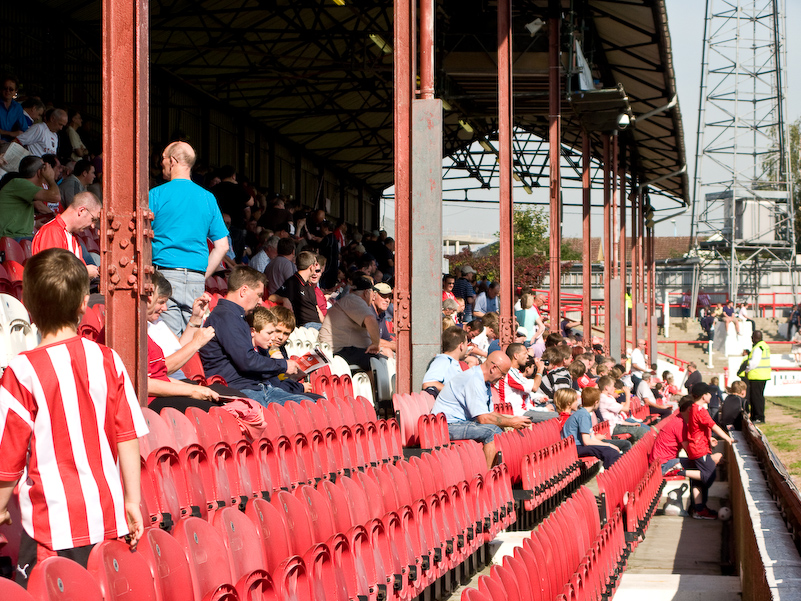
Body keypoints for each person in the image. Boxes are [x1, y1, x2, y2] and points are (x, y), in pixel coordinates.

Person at [0, 248, 147, 588]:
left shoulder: (22, 370)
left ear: (30, 306)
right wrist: (133, 501)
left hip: (51, 525)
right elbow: (127, 436)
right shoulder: (108, 359)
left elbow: (8, 458)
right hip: (107, 517)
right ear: (84, 303)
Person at [199, 265, 312, 407]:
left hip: (257, 387)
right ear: (244, 290)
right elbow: (247, 361)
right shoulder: (226, 316)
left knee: (313, 404)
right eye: (259, 294)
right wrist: (283, 365)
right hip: (240, 390)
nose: (260, 301)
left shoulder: (235, 316)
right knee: (303, 409)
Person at [150, 141, 230, 335]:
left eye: (163, 160)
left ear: (173, 161)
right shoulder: (208, 198)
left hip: (165, 276)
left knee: (169, 345)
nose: (160, 164)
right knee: (192, 346)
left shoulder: (156, 194)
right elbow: (223, 246)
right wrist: (201, 275)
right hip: (196, 279)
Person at [432, 351, 532, 468]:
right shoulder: (474, 380)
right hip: (447, 426)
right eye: (503, 374)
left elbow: (489, 414)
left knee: (505, 426)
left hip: (460, 423)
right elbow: (483, 419)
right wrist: (511, 422)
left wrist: (514, 419)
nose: (503, 378)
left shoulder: (484, 381)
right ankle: (487, 477)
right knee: (492, 432)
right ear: (493, 368)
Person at [683, 384, 736, 519]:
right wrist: (728, 439)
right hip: (700, 449)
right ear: (703, 396)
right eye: (708, 393)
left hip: (697, 447)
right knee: (709, 475)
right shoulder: (700, 410)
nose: (711, 396)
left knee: (698, 481)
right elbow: (714, 426)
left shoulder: (694, 408)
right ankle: (677, 470)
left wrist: (709, 438)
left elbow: (698, 429)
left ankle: (699, 508)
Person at [247, 306, 317, 398]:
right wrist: (300, 387)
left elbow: (283, 381)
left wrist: (295, 376)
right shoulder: (262, 349)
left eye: (286, 333)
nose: (280, 337)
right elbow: (275, 386)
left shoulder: (281, 350)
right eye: (277, 331)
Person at [318, 275, 384, 370]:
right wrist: (375, 344)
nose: (374, 297)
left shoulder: (351, 299)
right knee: (374, 361)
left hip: (340, 350)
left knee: (378, 358)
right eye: (372, 293)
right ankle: (373, 385)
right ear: (366, 293)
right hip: (338, 351)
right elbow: (370, 320)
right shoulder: (354, 299)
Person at [31, 190, 101, 278]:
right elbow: (51, 274)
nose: (93, 226)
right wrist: (84, 272)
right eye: (93, 219)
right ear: (82, 211)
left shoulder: (71, 235)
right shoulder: (52, 231)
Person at [0, 155, 60, 240]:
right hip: (11, 238)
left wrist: (33, 224)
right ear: (39, 173)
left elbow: (13, 216)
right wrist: (51, 179)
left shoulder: (24, 187)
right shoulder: (19, 183)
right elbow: (56, 197)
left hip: (17, 237)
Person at [560, 388, 622, 469]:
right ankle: (611, 477)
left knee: (611, 450)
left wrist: (609, 445)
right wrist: (609, 445)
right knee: (611, 453)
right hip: (575, 448)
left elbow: (592, 438)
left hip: (578, 446)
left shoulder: (585, 413)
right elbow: (587, 441)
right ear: (596, 402)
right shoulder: (583, 415)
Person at [500, 343, 558, 422]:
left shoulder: (516, 372)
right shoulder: (510, 372)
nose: (527, 356)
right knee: (558, 416)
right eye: (525, 354)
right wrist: (540, 370)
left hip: (524, 411)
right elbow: (534, 387)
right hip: (518, 413)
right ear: (516, 356)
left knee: (561, 413)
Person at [269, 250, 323, 329]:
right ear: (311, 267)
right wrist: (284, 299)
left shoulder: (309, 285)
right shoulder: (293, 283)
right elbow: (271, 297)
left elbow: (317, 309)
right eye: (315, 265)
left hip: (318, 326)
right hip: (306, 327)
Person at [597, 375, 651, 442]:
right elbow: (626, 409)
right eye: (613, 386)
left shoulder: (608, 398)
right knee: (642, 431)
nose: (614, 388)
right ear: (606, 388)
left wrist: (632, 424)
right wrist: (628, 395)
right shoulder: (605, 399)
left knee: (640, 428)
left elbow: (618, 419)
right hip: (613, 428)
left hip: (616, 425)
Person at [422, 326, 469, 397]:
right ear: (461, 346)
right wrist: (457, 391)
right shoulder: (442, 361)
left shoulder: (452, 362)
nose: (467, 347)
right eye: (466, 344)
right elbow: (428, 383)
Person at [742, 330, 771, 424]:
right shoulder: (763, 346)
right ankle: (756, 416)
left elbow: (754, 362)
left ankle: (758, 417)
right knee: (758, 397)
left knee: (756, 398)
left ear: (755, 338)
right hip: (761, 375)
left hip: (757, 376)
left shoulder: (758, 347)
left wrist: (747, 370)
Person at [0, 75, 27, 141]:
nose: (7, 91)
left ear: (15, 91)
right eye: (5, 88)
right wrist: (11, 133)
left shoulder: (17, 107)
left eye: (11, 89)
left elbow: (24, 129)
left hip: (10, 143)